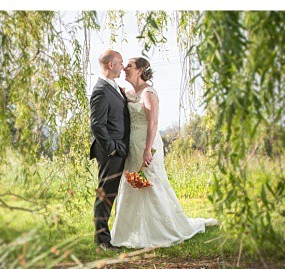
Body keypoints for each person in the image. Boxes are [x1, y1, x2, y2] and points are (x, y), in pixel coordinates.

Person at [110, 57, 217, 248]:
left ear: (141, 69)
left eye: (129, 66)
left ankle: (160, 230)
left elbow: (153, 123)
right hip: (131, 145)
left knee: (151, 184)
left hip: (147, 145)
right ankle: (130, 232)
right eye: (125, 65)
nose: (125, 68)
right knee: (132, 184)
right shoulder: (126, 92)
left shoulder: (149, 93)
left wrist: (147, 150)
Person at [89, 50, 130, 250]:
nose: (123, 66)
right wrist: (112, 149)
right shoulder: (101, 90)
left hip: (118, 148)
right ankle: (102, 241)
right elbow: (97, 125)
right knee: (105, 194)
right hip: (109, 151)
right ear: (111, 65)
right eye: (121, 63)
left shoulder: (112, 87)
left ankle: (106, 237)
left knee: (111, 193)